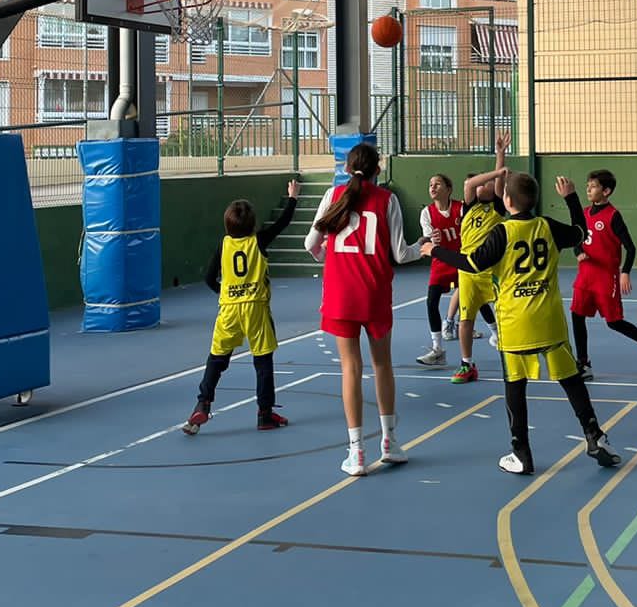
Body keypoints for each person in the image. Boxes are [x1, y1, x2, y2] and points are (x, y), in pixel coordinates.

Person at [435, 173, 621, 475]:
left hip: (515, 322)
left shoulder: (502, 231)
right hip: (549, 320)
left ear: (507, 200)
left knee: (515, 386)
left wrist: (435, 251)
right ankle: (595, 436)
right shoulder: (546, 226)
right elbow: (579, 232)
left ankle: (521, 452)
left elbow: (472, 263)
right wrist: (571, 198)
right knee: (571, 380)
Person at [305, 142, 425, 476]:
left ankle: (356, 451)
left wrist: (326, 256)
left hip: (341, 293)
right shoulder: (388, 200)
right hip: (374, 292)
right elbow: (401, 254)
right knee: (382, 364)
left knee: (350, 368)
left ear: (346, 168)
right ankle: (389, 442)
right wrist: (423, 247)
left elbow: (310, 244)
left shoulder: (333, 196)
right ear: (378, 169)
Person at [185, 179, 303, 435]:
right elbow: (282, 223)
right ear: (252, 224)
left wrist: (226, 293)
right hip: (255, 309)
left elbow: (209, 279)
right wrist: (293, 197)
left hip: (229, 309)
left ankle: (202, 404)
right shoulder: (258, 241)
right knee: (262, 361)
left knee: (217, 358)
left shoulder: (224, 245)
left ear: (227, 225)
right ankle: (264, 414)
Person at [569, 169, 637, 377]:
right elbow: (576, 238)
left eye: (593, 186)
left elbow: (631, 248)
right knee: (576, 316)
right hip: (585, 277)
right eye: (588, 186)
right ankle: (583, 363)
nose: (588, 189)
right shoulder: (584, 213)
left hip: (605, 278)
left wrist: (625, 272)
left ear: (606, 191)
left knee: (614, 322)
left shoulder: (612, 216)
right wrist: (578, 251)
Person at [450, 137, 509, 385]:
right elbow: (469, 183)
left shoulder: (497, 207)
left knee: (504, 316)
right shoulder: (469, 206)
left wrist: (500, 157)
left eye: (486, 184)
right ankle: (467, 364)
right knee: (465, 320)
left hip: (491, 270)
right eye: (481, 183)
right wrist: (496, 170)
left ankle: (511, 358)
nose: (481, 186)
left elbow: (499, 182)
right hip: (467, 270)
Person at [415, 174, 463, 368]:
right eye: (430, 184)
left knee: (479, 301)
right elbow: (428, 240)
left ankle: (496, 336)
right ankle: (437, 350)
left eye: (437, 184)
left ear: (449, 189)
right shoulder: (426, 213)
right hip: (441, 262)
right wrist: (431, 240)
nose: (433, 187)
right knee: (431, 302)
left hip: (461, 260)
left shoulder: (461, 209)